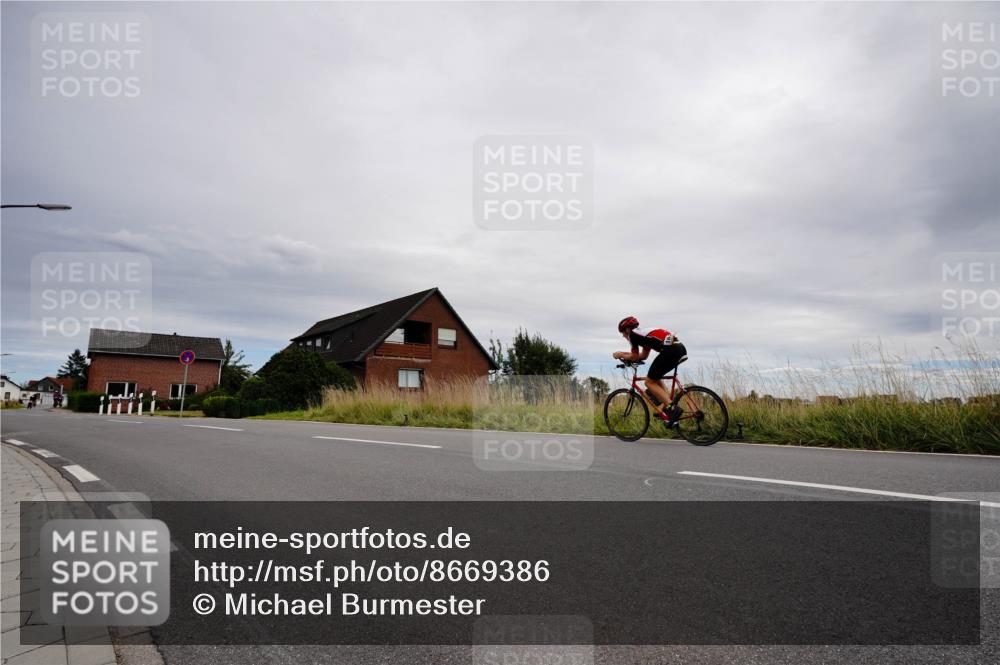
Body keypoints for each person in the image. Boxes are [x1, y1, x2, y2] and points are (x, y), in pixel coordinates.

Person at [612, 316, 688, 421]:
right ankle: (666, 405)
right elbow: (643, 355)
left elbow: (634, 357)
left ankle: (672, 408)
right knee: (655, 378)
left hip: (670, 350)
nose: (623, 336)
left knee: (649, 382)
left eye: (623, 333)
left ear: (627, 329)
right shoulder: (642, 334)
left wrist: (620, 354)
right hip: (679, 348)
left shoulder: (633, 334)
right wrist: (625, 355)